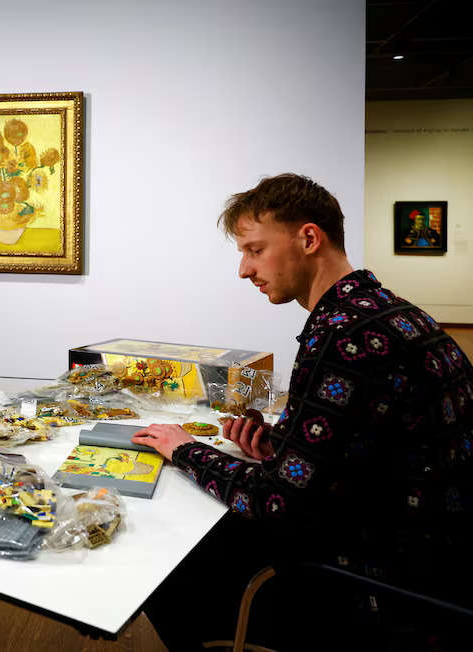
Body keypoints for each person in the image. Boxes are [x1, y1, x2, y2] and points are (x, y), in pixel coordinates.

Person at [134, 174, 473, 651]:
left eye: (254, 250)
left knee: (169, 558)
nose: (243, 270)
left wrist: (185, 449)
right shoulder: (393, 312)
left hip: (386, 575)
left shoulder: (342, 335)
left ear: (309, 238)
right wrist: (283, 445)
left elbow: (278, 503)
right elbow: (377, 442)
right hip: (441, 556)